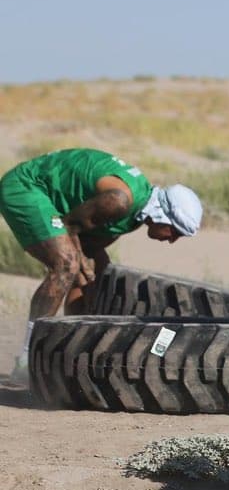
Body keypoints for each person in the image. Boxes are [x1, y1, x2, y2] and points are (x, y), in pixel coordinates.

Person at [0, 148, 203, 382]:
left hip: (55, 201)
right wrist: (80, 264)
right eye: (174, 233)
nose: (171, 240)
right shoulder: (119, 202)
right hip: (27, 187)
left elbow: (88, 245)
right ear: (163, 216)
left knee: (97, 273)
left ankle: (72, 351)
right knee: (66, 265)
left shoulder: (131, 218)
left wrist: (88, 268)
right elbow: (70, 225)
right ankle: (27, 358)